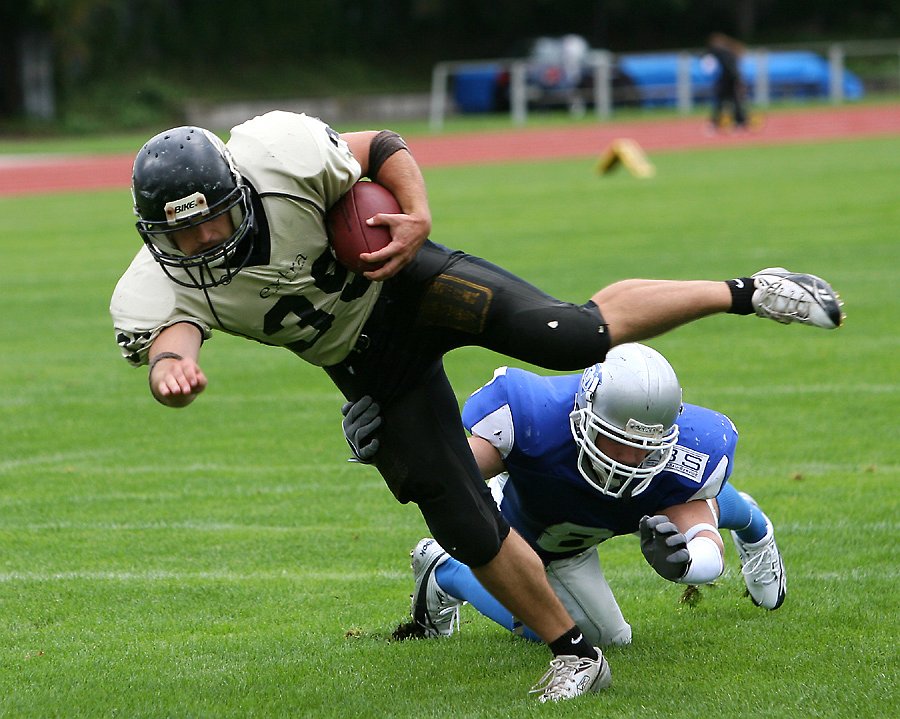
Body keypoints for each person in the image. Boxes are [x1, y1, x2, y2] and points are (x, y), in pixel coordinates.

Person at [110, 111, 841, 702]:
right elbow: (172, 336)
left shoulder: (278, 153)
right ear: (152, 234)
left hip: (406, 280)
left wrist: (417, 214)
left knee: (570, 334)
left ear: (239, 189)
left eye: (211, 221)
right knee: (458, 514)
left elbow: (381, 145)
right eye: (180, 233)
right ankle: (575, 654)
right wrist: (174, 368)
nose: (201, 242)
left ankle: (750, 291)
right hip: (367, 362)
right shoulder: (152, 286)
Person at [344, 343, 785, 653]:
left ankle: (756, 528)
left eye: (646, 446)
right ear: (585, 414)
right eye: (617, 440)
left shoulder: (688, 452)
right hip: (534, 533)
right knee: (601, 639)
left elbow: (704, 538)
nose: (631, 459)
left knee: (690, 497)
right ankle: (446, 572)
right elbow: (451, 470)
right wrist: (392, 451)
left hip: (586, 522)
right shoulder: (535, 418)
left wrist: (685, 565)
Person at [703, 32, 748, 131]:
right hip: (730, 79)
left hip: (728, 80)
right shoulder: (728, 53)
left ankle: (719, 123)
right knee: (733, 101)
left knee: (725, 101)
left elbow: (731, 69)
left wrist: (737, 80)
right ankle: (740, 122)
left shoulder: (722, 53)